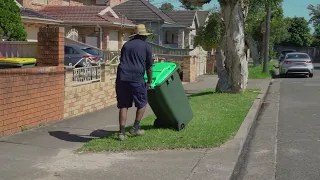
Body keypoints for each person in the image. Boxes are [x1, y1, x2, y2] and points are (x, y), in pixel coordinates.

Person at [115, 24, 153, 141]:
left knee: (124, 105)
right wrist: (149, 82)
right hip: (137, 78)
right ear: (143, 36)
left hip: (122, 77)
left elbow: (123, 60)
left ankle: (122, 133)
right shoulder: (146, 46)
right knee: (142, 102)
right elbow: (149, 67)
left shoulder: (126, 45)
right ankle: (135, 128)